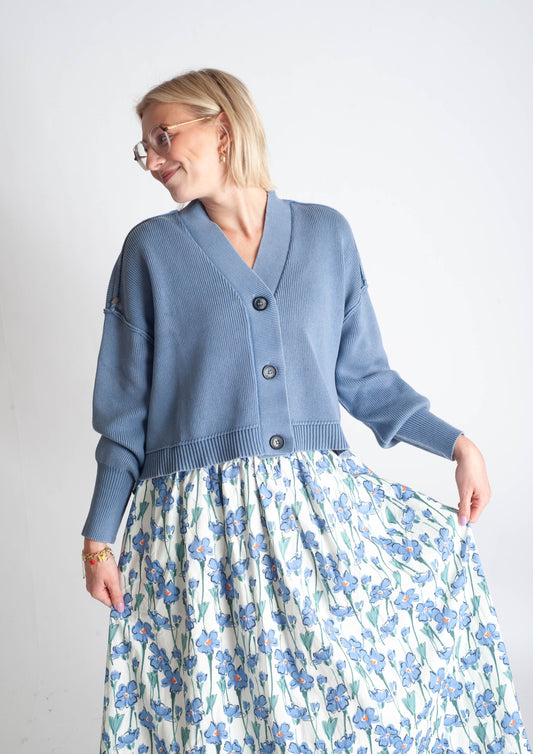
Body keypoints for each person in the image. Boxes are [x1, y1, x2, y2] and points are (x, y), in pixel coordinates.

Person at [82, 69, 529, 754]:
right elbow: (124, 417)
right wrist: (99, 540)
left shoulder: (327, 236)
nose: (153, 160)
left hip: (314, 520)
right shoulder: (150, 252)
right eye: (145, 147)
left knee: (348, 715)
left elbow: (366, 379)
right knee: (215, 725)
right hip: (197, 534)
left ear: (222, 129)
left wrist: (458, 444)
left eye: (163, 138)